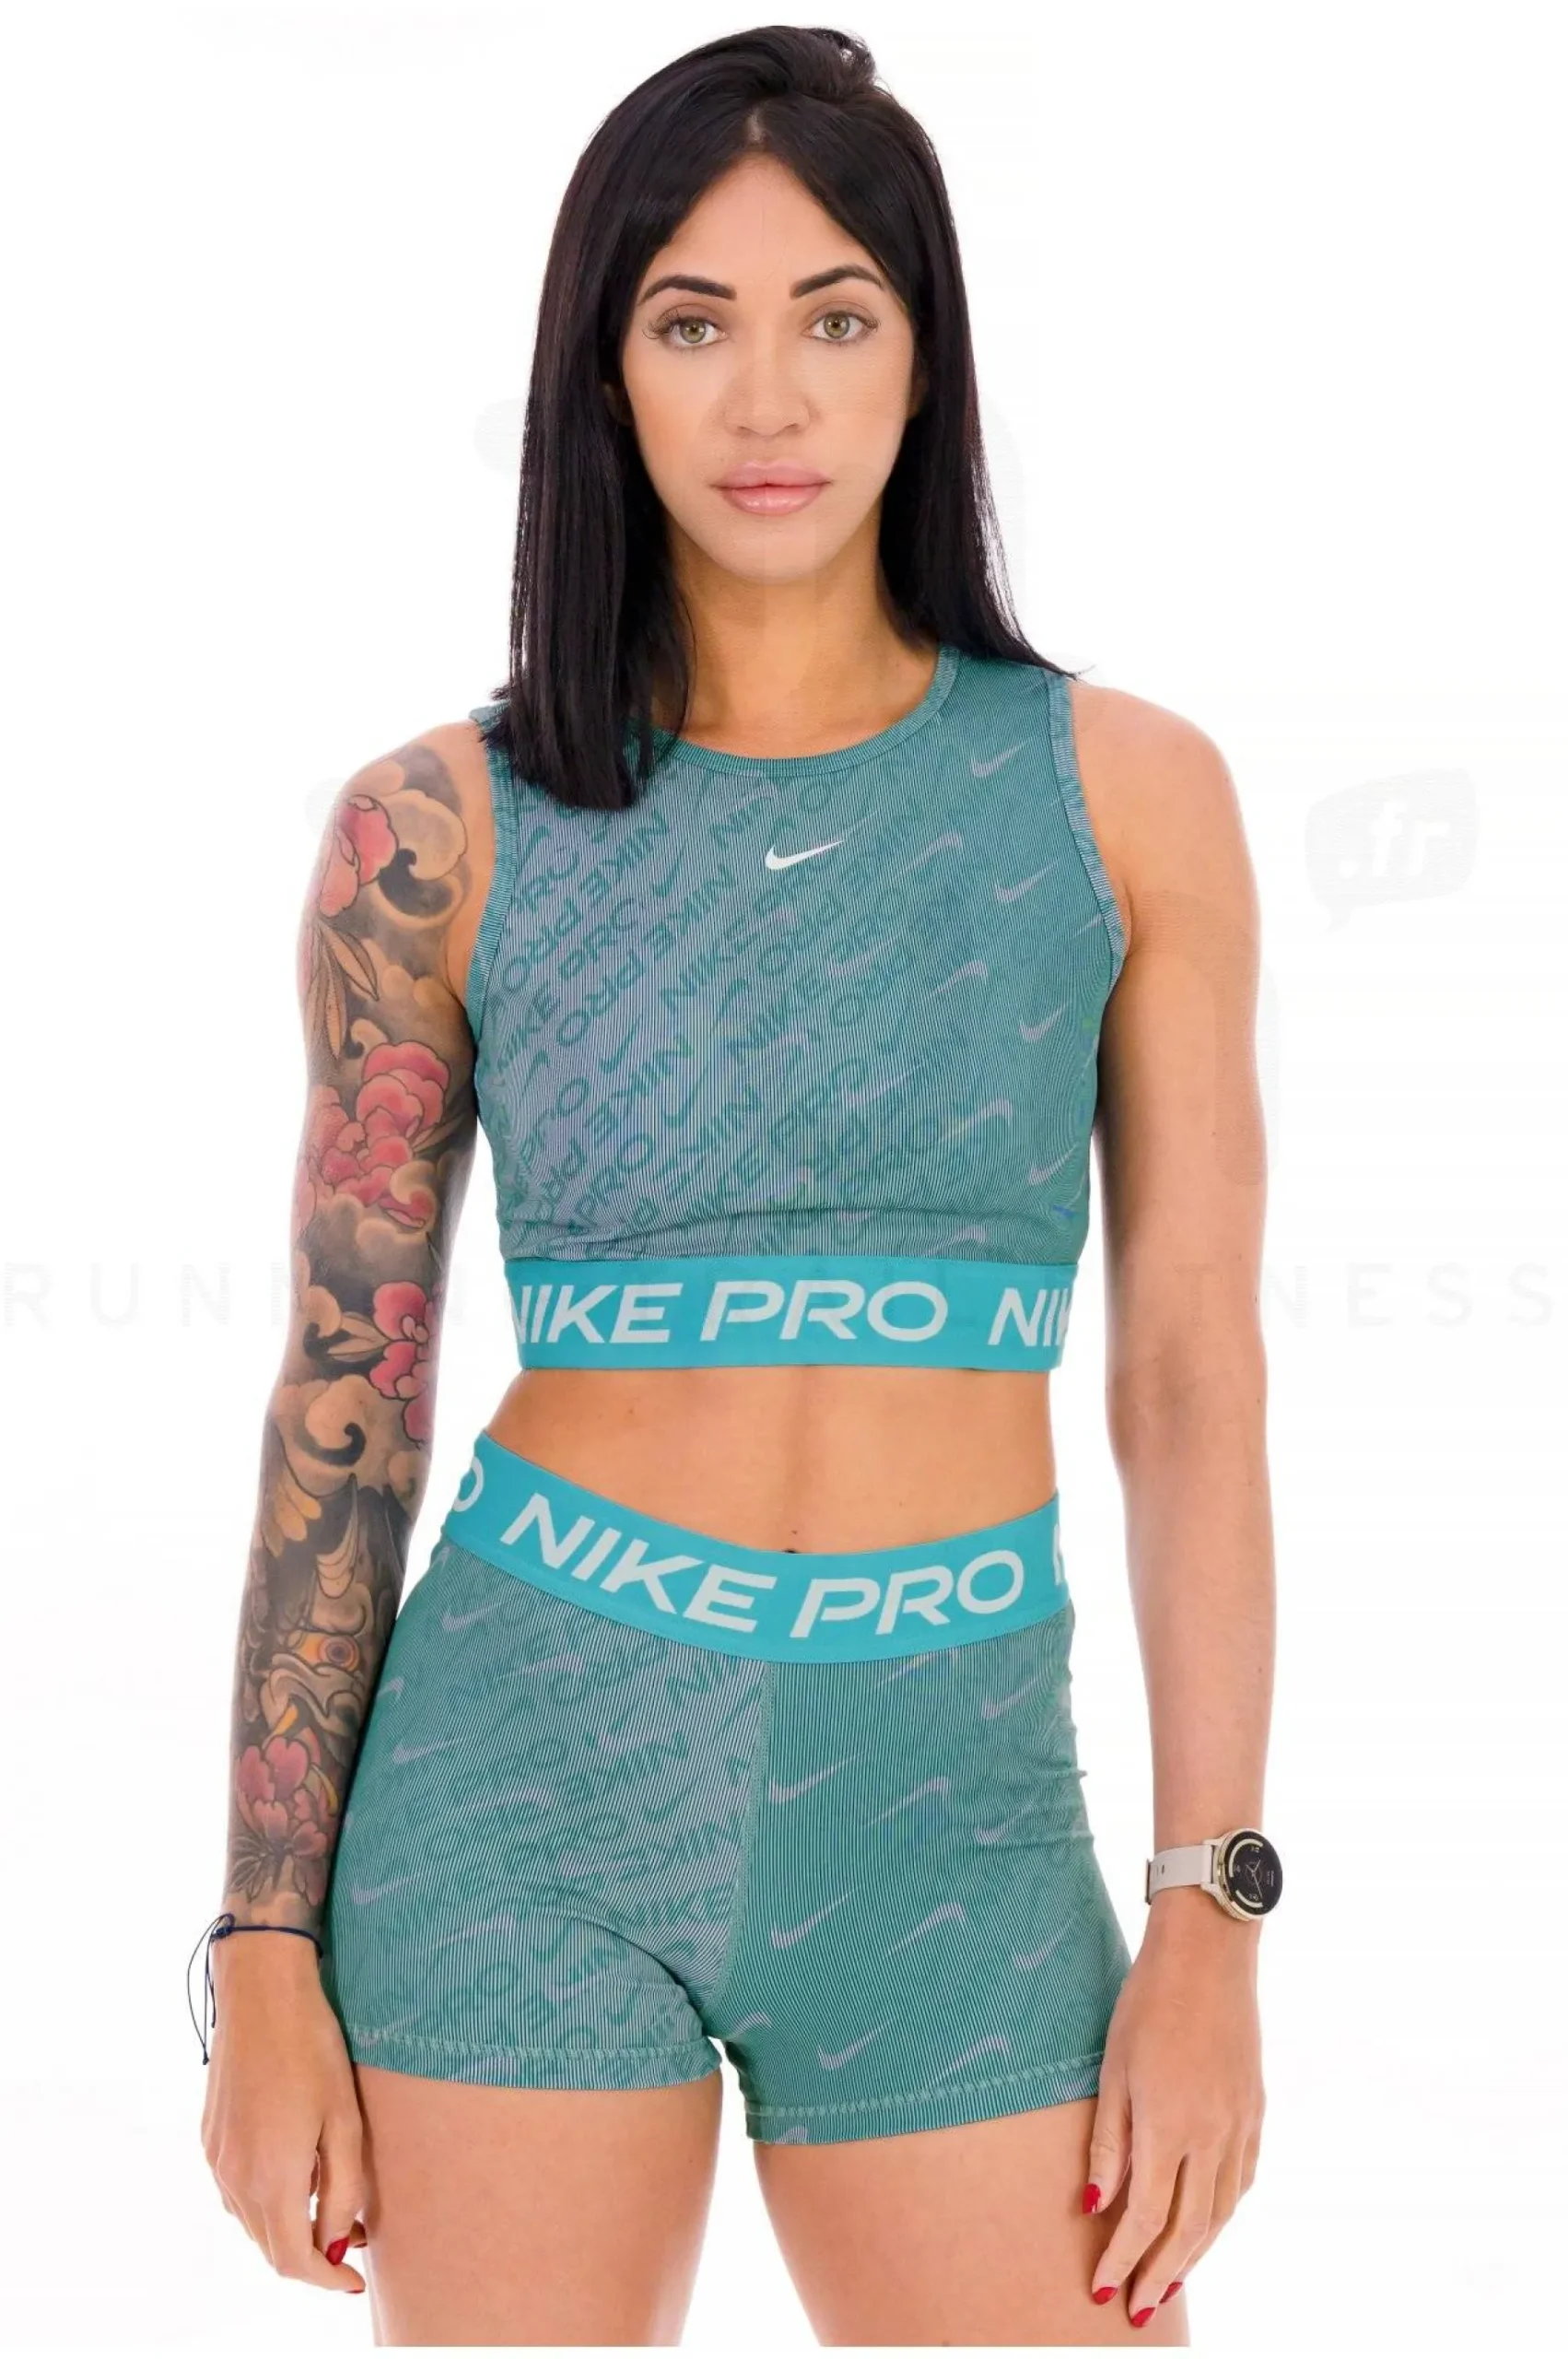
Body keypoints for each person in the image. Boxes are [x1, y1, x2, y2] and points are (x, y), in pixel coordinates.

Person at [193, 25, 1279, 2346]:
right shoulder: (435, 828)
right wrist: (261, 1942)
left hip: (951, 1806)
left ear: (924, 353)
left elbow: (1188, 1377)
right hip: (520, 1790)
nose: (765, 399)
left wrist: (1209, 1906)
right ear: (602, 369)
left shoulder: (1122, 792)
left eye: (833, 318)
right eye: (690, 321)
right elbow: (348, 1402)